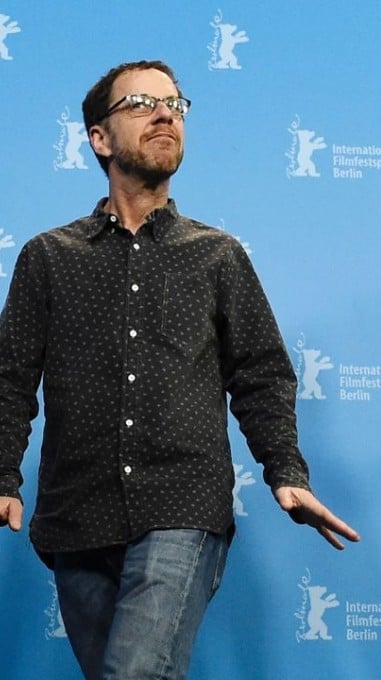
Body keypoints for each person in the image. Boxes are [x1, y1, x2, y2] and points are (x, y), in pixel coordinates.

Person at [0, 60, 360, 679]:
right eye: (141, 103)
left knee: (133, 674)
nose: (166, 114)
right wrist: (5, 472)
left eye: (175, 103)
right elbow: (9, 377)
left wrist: (285, 468)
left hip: (182, 507)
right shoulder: (47, 257)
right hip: (75, 518)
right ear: (100, 138)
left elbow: (261, 373)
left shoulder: (216, 255)